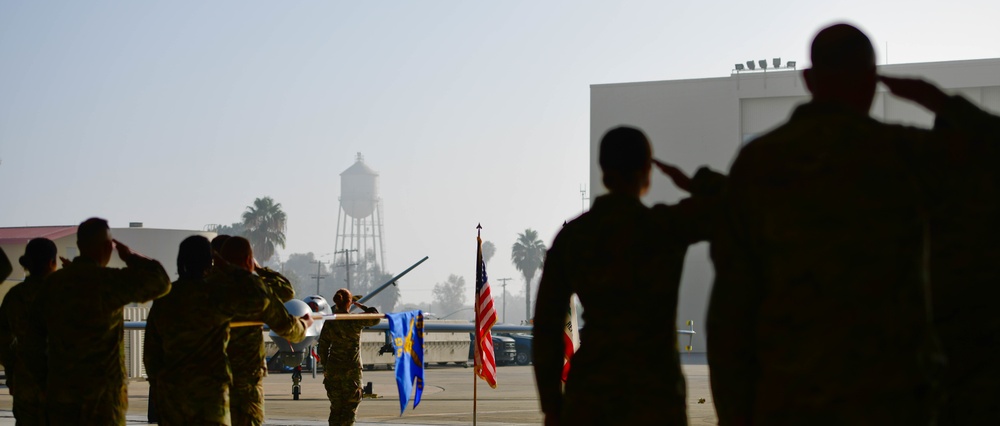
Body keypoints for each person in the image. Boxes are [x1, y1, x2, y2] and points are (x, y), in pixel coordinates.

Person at [707, 23, 1000, 425]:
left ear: (808, 79)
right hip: (893, 402)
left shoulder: (757, 164)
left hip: (788, 399)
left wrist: (736, 412)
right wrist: (938, 101)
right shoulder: (903, 154)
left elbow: (731, 309)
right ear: (872, 80)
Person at [533, 126, 724, 426]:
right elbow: (730, 205)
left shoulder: (574, 237)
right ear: (646, 170)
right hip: (657, 396)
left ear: (603, 169)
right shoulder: (664, 227)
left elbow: (546, 327)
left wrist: (552, 405)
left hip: (591, 396)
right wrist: (691, 181)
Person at [40, 217, 171, 425]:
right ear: (108, 247)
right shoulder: (109, 282)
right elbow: (161, 283)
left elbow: (34, 337)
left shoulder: (52, 285)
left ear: (79, 245)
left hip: (61, 396)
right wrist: (130, 257)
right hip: (102, 399)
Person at [143, 235, 271, 425]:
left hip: (173, 397)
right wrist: (230, 268)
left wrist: (160, 386)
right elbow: (259, 297)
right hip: (211, 397)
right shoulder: (215, 294)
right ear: (210, 261)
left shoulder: (165, 299)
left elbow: (151, 355)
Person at [223, 236, 312, 426]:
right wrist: (304, 324)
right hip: (244, 385)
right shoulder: (253, 289)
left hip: (203, 384)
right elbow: (287, 298)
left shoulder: (198, 288)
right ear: (248, 260)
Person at [0, 238, 57, 424]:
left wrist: (13, 373)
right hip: (62, 385)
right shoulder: (63, 293)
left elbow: (3, 340)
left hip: (25, 384)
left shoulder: (14, 296)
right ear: (51, 262)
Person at [317, 288, 381, 426]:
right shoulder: (354, 320)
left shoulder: (330, 321)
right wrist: (362, 306)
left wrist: (325, 366)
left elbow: (322, 345)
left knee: (336, 409)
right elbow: (375, 318)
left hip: (333, 371)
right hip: (351, 371)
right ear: (349, 303)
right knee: (349, 410)